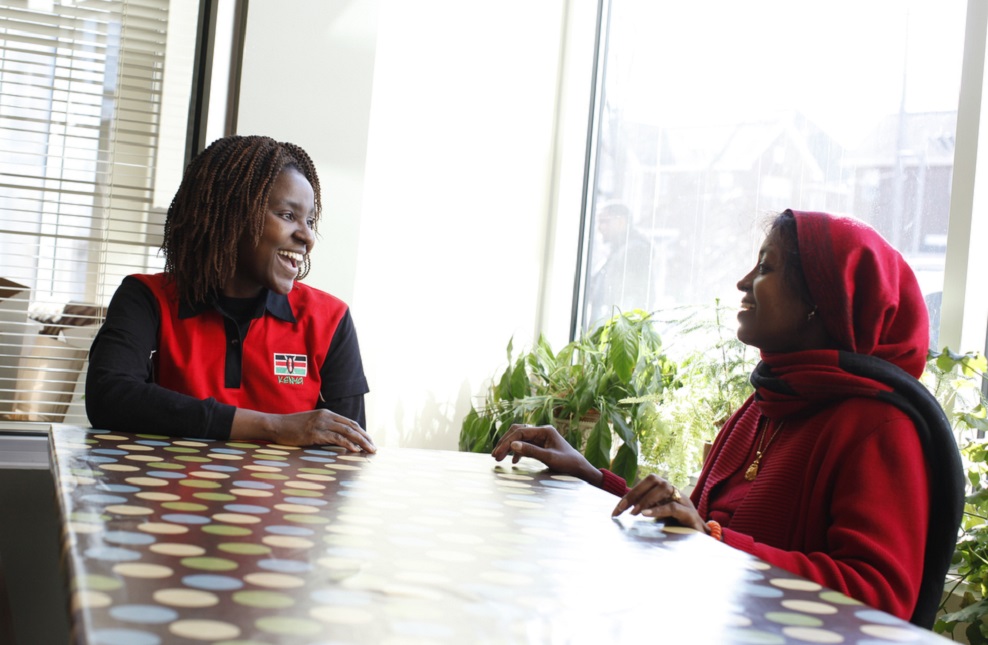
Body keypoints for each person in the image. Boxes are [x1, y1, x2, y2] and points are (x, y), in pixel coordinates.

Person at [493, 209, 963, 628]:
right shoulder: (766, 403)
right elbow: (694, 526)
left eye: (765, 267)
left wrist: (711, 538)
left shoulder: (880, 426)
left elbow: (878, 601)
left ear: (821, 301)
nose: (742, 283)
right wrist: (590, 475)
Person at [86, 135, 374, 452]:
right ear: (230, 215)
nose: (307, 236)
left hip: (286, 502)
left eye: (310, 220)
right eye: (288, 215)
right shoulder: (147, 298)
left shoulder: (329, 319)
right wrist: (273, 426)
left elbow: (347, 450)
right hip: (165, 497)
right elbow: (109, 397)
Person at [586, 202, 655, 326]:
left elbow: (630, 298)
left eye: (604, 222)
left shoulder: (634, 252)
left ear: (620, 222)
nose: (599, 227)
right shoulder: (617, 252)